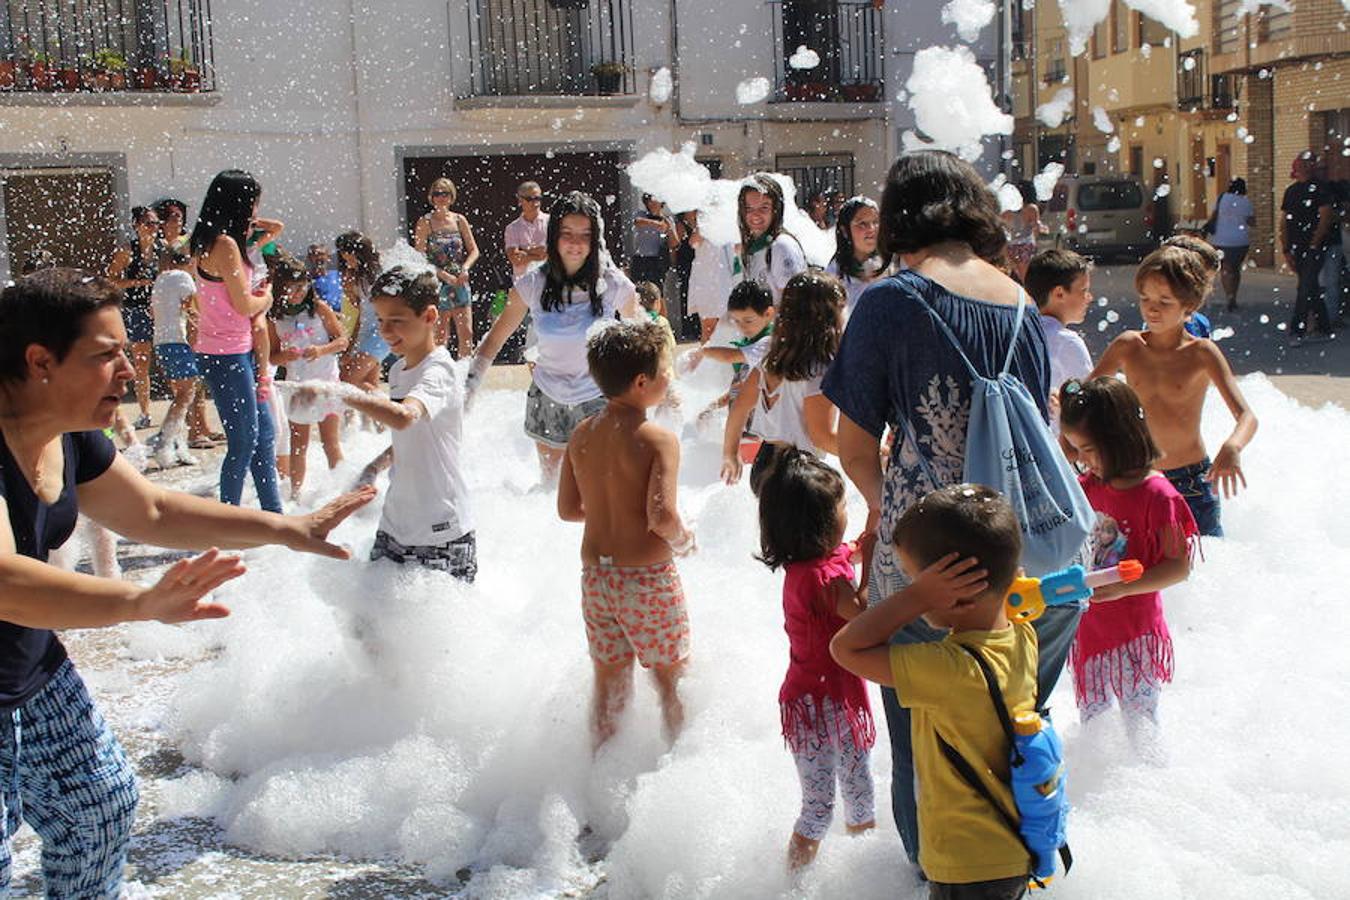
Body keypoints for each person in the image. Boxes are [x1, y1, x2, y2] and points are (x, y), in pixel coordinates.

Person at [0, 267, 374, 898]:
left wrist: (287, 528)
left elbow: (151, 511)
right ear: (40, 361)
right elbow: (5, 581)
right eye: (105, 355)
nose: (128, 369)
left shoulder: (71, 435)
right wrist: (141, 602)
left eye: (125, 350)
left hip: (29, 674)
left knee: (99, 809)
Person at [821, 150, 1066, 867]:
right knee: (1016, 729)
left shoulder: (892, 300)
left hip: (932, 567)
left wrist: (887, 511)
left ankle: (937, 875)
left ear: (900, 216)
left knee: (925, 743)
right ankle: (1022, 868)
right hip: (1019, 556)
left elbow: (855, 447)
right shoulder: (1020, 300)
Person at [829, 483, 1036, 897]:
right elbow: (1009, 588)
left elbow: (845, 648)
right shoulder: (1022, 638)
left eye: (912, 579)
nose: (912, 591)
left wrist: (915, 599)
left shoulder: (948, 671)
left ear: (954, 591)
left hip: (965, 863)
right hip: (1012, 847)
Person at [557, 320, 694, 749]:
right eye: (665, 369)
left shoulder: (581, 434)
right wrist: (685, 539)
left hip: (597, 580)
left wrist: (608, 510)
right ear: (642, 382)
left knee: (610, 684)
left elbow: (567, 510)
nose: (669, 376)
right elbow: (662, 516)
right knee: (673, 681)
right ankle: (677, 779)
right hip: (648, 580)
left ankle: (599, 788)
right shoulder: (657, 439)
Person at [1059, 377, 1197, 756]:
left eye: (1089, 449)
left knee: (1141, 729)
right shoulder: (1087, 486)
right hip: (1089, 631)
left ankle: (1148, 797)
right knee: (1095, 730)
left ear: (1119, 437)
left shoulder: (1158, 495)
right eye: (1077, 450)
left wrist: (1123, 588)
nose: (1083, 460)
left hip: (1135, 632)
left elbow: (1177, 567)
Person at [754, 446, 874, 870]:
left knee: (821, 802)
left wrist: (864, 543)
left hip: (806, 700)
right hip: (827, 706)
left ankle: (803, 883)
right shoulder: (826, 580)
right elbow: (862, 613)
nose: (848, 510)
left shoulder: (807, 565)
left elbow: (847, 554)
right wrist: (873, 564)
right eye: (843, 504)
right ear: (823, 523)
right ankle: (850, 882)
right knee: (851, 797)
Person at [468, 191, 640, 486]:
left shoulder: (613, 284)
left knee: (601, 489)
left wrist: (663, 386)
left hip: (599, 397)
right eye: (567, 233)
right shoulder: (532, 284)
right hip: (547, 396)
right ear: (553, 236)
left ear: (595, 237)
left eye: (585, 234)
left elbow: (646, 336)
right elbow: (495, 339)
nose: (575, 243)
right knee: (552, 490)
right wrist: (469, 386)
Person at [1089, 244, 1257, 538]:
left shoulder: (1202, 353)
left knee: (1202, 570)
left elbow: (1247, 416)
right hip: (1136, 477)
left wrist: (1232, 446)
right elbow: (1086, 393)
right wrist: (1069, 400)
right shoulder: (1128, 346)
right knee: (1138, 569)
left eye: (1165, 301)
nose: (1152, 308)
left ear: (1188, 306)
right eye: (1145, 298)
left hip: (1191, 480)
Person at [335, 267, 476, 580]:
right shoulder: (399, 371)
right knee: (366, 622)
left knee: (438, 628)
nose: (385, 331)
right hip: (396, 522)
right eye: (381, 320)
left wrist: (342, 393)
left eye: (396, 321)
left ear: (429, 316)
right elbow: (411, 435)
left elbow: (404, 417)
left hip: (441, 531)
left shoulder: (439, 371)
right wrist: (373, 467)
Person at [190, 169, 283, 512]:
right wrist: (267, 298)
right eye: (254, 203)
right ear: (240, 204)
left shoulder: (209, 239)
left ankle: (274, 516)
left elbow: (276, 229)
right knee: (244, 442)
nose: (258, 211)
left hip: (234, 351)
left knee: (264, 438)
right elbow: (244, 305)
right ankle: (228, 519)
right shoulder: (226, 245)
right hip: (225, 355)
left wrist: (255, 221)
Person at [722, 271, 844, 486]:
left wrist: (730, 453)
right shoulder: (817, 370)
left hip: (764, 463)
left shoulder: (772, 361)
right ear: (827, 316)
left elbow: (739, 408)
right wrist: (865, 453)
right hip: (798, 472)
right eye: (841, 309)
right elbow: (821, 437)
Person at [268, 255, 348, 499]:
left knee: (330, 443)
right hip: (298, 388)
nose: (296, 293)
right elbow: (271, 357)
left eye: (301, 287)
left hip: (326, 384)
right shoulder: (276, 318)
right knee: (298, 445)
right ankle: (295, 495)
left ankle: (344, 493)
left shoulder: (319, 308)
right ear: (281, 288)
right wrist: (286, 356)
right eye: (290, 289)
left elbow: (342, 341)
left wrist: (321, 350)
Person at [106, 205, 164, 429]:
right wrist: (137, 283)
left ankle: (180, 412)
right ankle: (145, 412)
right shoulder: (127, 250)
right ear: (137, 225)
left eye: (156, 223)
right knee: (142, 363)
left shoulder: (163, 249)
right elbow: (111, 279)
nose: (154, 228)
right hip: (136, 309)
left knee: (170, 361)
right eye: (149, 223)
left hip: (161, 310)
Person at [688, 280, 775, 424]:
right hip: (746, 424)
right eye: (736, 321)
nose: (742, 327)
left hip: (762, 427)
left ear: (768, 314)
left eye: (748, 320)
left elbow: (730, 356)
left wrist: (703, 352)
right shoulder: (750, 342)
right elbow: (738, 387)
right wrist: (713, 407)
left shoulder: (769, 343)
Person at [1024, 248, 1093, 427]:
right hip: (1056, 445)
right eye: (1084, 290)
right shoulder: (1067, 342)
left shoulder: (1019, 331)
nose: (1089, 298)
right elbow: (1088, 401)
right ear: (1059, 294)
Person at [148, 246, 202, 468]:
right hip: (178, 341)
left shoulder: (161, 279)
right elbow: (194, 310)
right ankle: (164, 444)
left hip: (161, 341)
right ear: (189, 263)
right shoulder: (184, 278)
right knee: (186, 394)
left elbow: (152, 312)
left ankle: (179, 447)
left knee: (181, 395)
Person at [413, 178, 480, 357]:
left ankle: (464, 374)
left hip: (459, 280)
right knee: (441, 335)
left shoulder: (459, 220)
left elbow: (474, 250)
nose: (441, 198)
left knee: (467, 333)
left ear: (452, 197)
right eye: (437, 194)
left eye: (445, 194)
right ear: (431, 197)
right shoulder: (425, 222)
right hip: (437, 282)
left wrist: (465, 268)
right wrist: (442, 275)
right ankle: (440, 373)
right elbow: (419, 258)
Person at [1281, 151, 1337, 344]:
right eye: (1301, 164)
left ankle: (1297, 330)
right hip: (1297, 246)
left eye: (1308, 164)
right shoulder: (1291, 191)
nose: (1304, 167)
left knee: (1304, 287)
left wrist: (1315, 242)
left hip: (1315, 247)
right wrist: (1286, 249)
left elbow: (1325, 216)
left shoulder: (1321, 189)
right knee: (1310, 286)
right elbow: (1284, 221)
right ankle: (1324, 327)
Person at [738, 174, 808, 305]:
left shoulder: (781, 246)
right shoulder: (752, 247)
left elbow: (793, 303)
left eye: (763, 208)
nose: (755, 215)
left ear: (775, 210)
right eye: (749, 208)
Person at [336, 231, 387, 393]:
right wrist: (351, 345)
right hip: (369, 333)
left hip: (380, 334)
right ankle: (380, 415)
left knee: (346, 379)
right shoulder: (359, 278)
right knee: (368, 385)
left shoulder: (380, 275)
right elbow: (361, 316)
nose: (348, 262)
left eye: (350, 258)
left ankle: (393, 412)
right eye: (345, 258)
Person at [826, 196, 891, 319]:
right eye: (862, 224)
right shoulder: (834, 276)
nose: (871, 229)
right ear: (844, 231)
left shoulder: (891, 268)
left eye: (875, 222)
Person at [683, 209, 738, 342]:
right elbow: (693, 241)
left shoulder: (728, 223)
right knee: (709, 329)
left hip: (724, 280)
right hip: (707, 282)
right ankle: (708, 361)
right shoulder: (705, 224)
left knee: (728, 328)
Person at [1207, 178, 1254, 311]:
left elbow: (1213, 215)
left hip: (1221, 239)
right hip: (1241, 240)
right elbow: (1251, 221)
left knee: (1226, 269)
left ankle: (1229, 296)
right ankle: (1234, 295)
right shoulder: (1246, 201)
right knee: (1236, 268)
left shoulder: (1222, 198)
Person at [504, 180, 549, 281]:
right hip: (523, 286)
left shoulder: (551, 223)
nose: (536, 203)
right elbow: (515, 259)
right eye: (530, 199)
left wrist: (524, 252)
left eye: (538, 198)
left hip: (549, 283)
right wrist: (538, 254)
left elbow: (553, 253)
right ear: (520, 200)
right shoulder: (512, 228)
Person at [631, 193, 678, 286]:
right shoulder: (641, 214)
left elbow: (675, 243)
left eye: (655, 202)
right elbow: (637, 222)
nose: (652, 204)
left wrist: (669, 229)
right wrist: (655, 223)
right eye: (649, 202)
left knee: (658, 291)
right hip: (641, 259)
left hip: (658, 262)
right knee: (639, 289)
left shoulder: (668, 219)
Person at [1004, 198, 1045, 283]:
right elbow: (1036, 227)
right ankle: (1028, 291)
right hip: (1026, 244)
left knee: (1009, 273)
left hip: (1011, 245)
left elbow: (1003, 230)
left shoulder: (1006, 212)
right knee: (1025, 276)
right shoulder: (1031, 208)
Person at [307, 242, 344, 312]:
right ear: (309, 258)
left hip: (344, 317)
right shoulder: (307, 280)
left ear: (328, 256)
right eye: (314, 254)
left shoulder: (339, 275)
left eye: (321, 254)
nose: (318, 257)